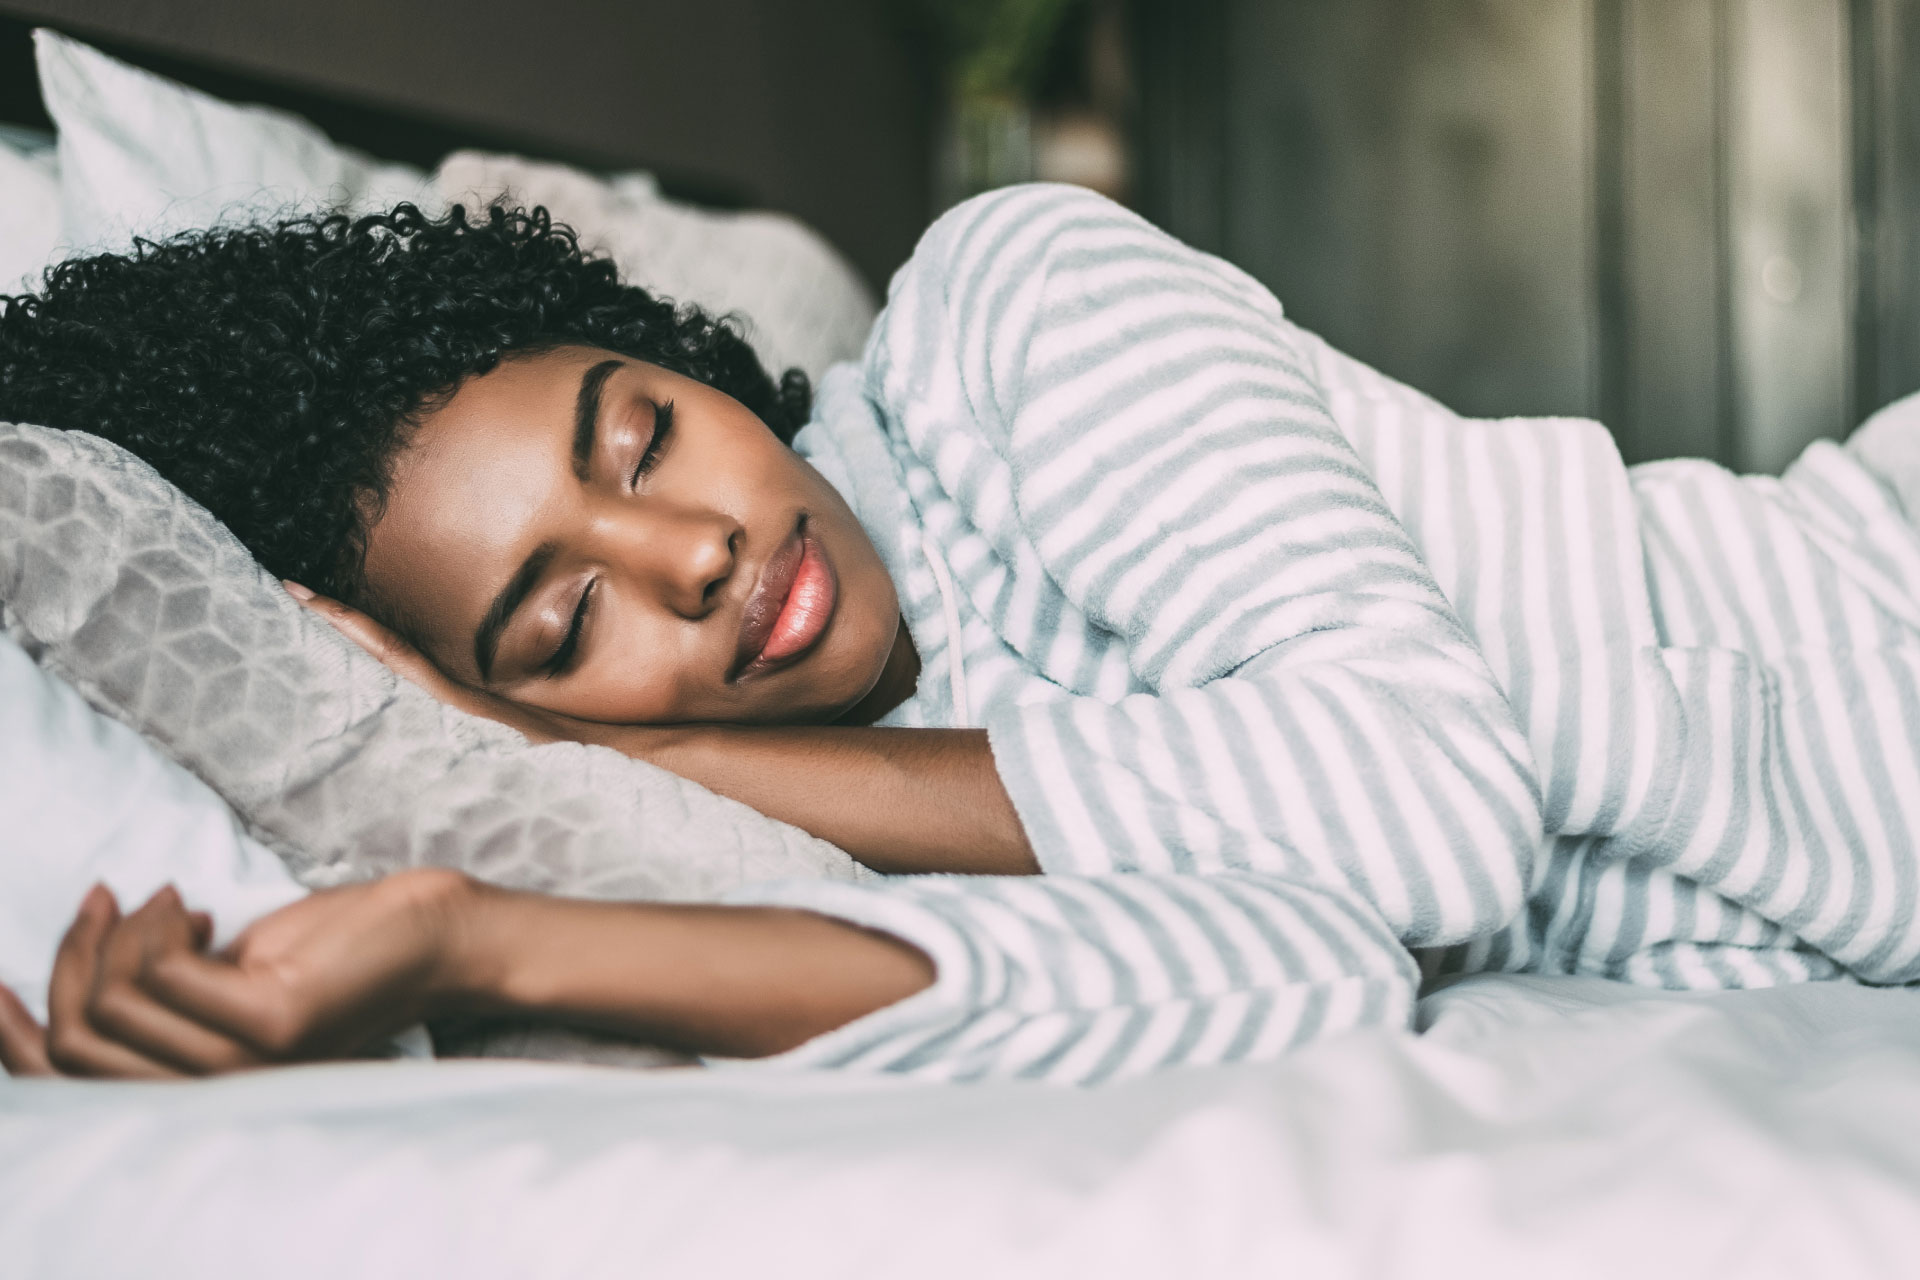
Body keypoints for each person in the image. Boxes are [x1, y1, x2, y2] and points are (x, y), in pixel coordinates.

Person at [3, 184, 1919, 1085]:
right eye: (568, 619)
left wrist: (599, 737)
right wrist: (474, 934)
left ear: (674, 356)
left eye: (641, 434)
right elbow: (1299, 970)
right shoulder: (822, 811)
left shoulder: (1015, 308)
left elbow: (1429, 807)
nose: (693, 554)